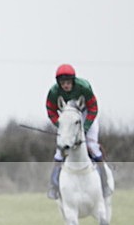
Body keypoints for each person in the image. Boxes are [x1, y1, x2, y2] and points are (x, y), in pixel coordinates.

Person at [45, 64, 110, 199]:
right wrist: (61, 126)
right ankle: (54, 185)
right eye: (63, 83)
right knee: (60, 150)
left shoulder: (84, 87)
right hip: (67, 119)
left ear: (73, 81)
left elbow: (93, 108)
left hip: (86, 115)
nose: (66, 85)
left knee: (92, 146)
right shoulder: (53, 92)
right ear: (59, 83)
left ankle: (104, 183)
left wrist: (85, 127)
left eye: (68, 82)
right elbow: (50, 110)